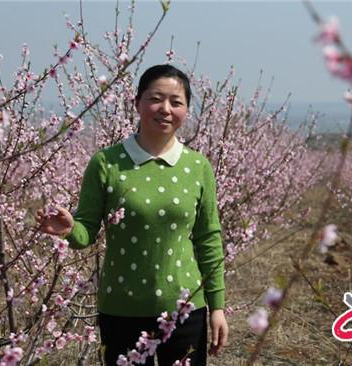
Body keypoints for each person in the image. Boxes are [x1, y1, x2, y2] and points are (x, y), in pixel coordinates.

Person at [35, 64, 228, 366]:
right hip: (121, 307)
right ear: (137, 103)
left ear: (187, 110)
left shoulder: (197, 167)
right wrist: (69, 229)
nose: (165, 109)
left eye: (176, 102)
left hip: (185, 308)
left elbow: (208, 239)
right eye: (155, 99)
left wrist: (217, 306)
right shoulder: (107, 163)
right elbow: (86, 231)